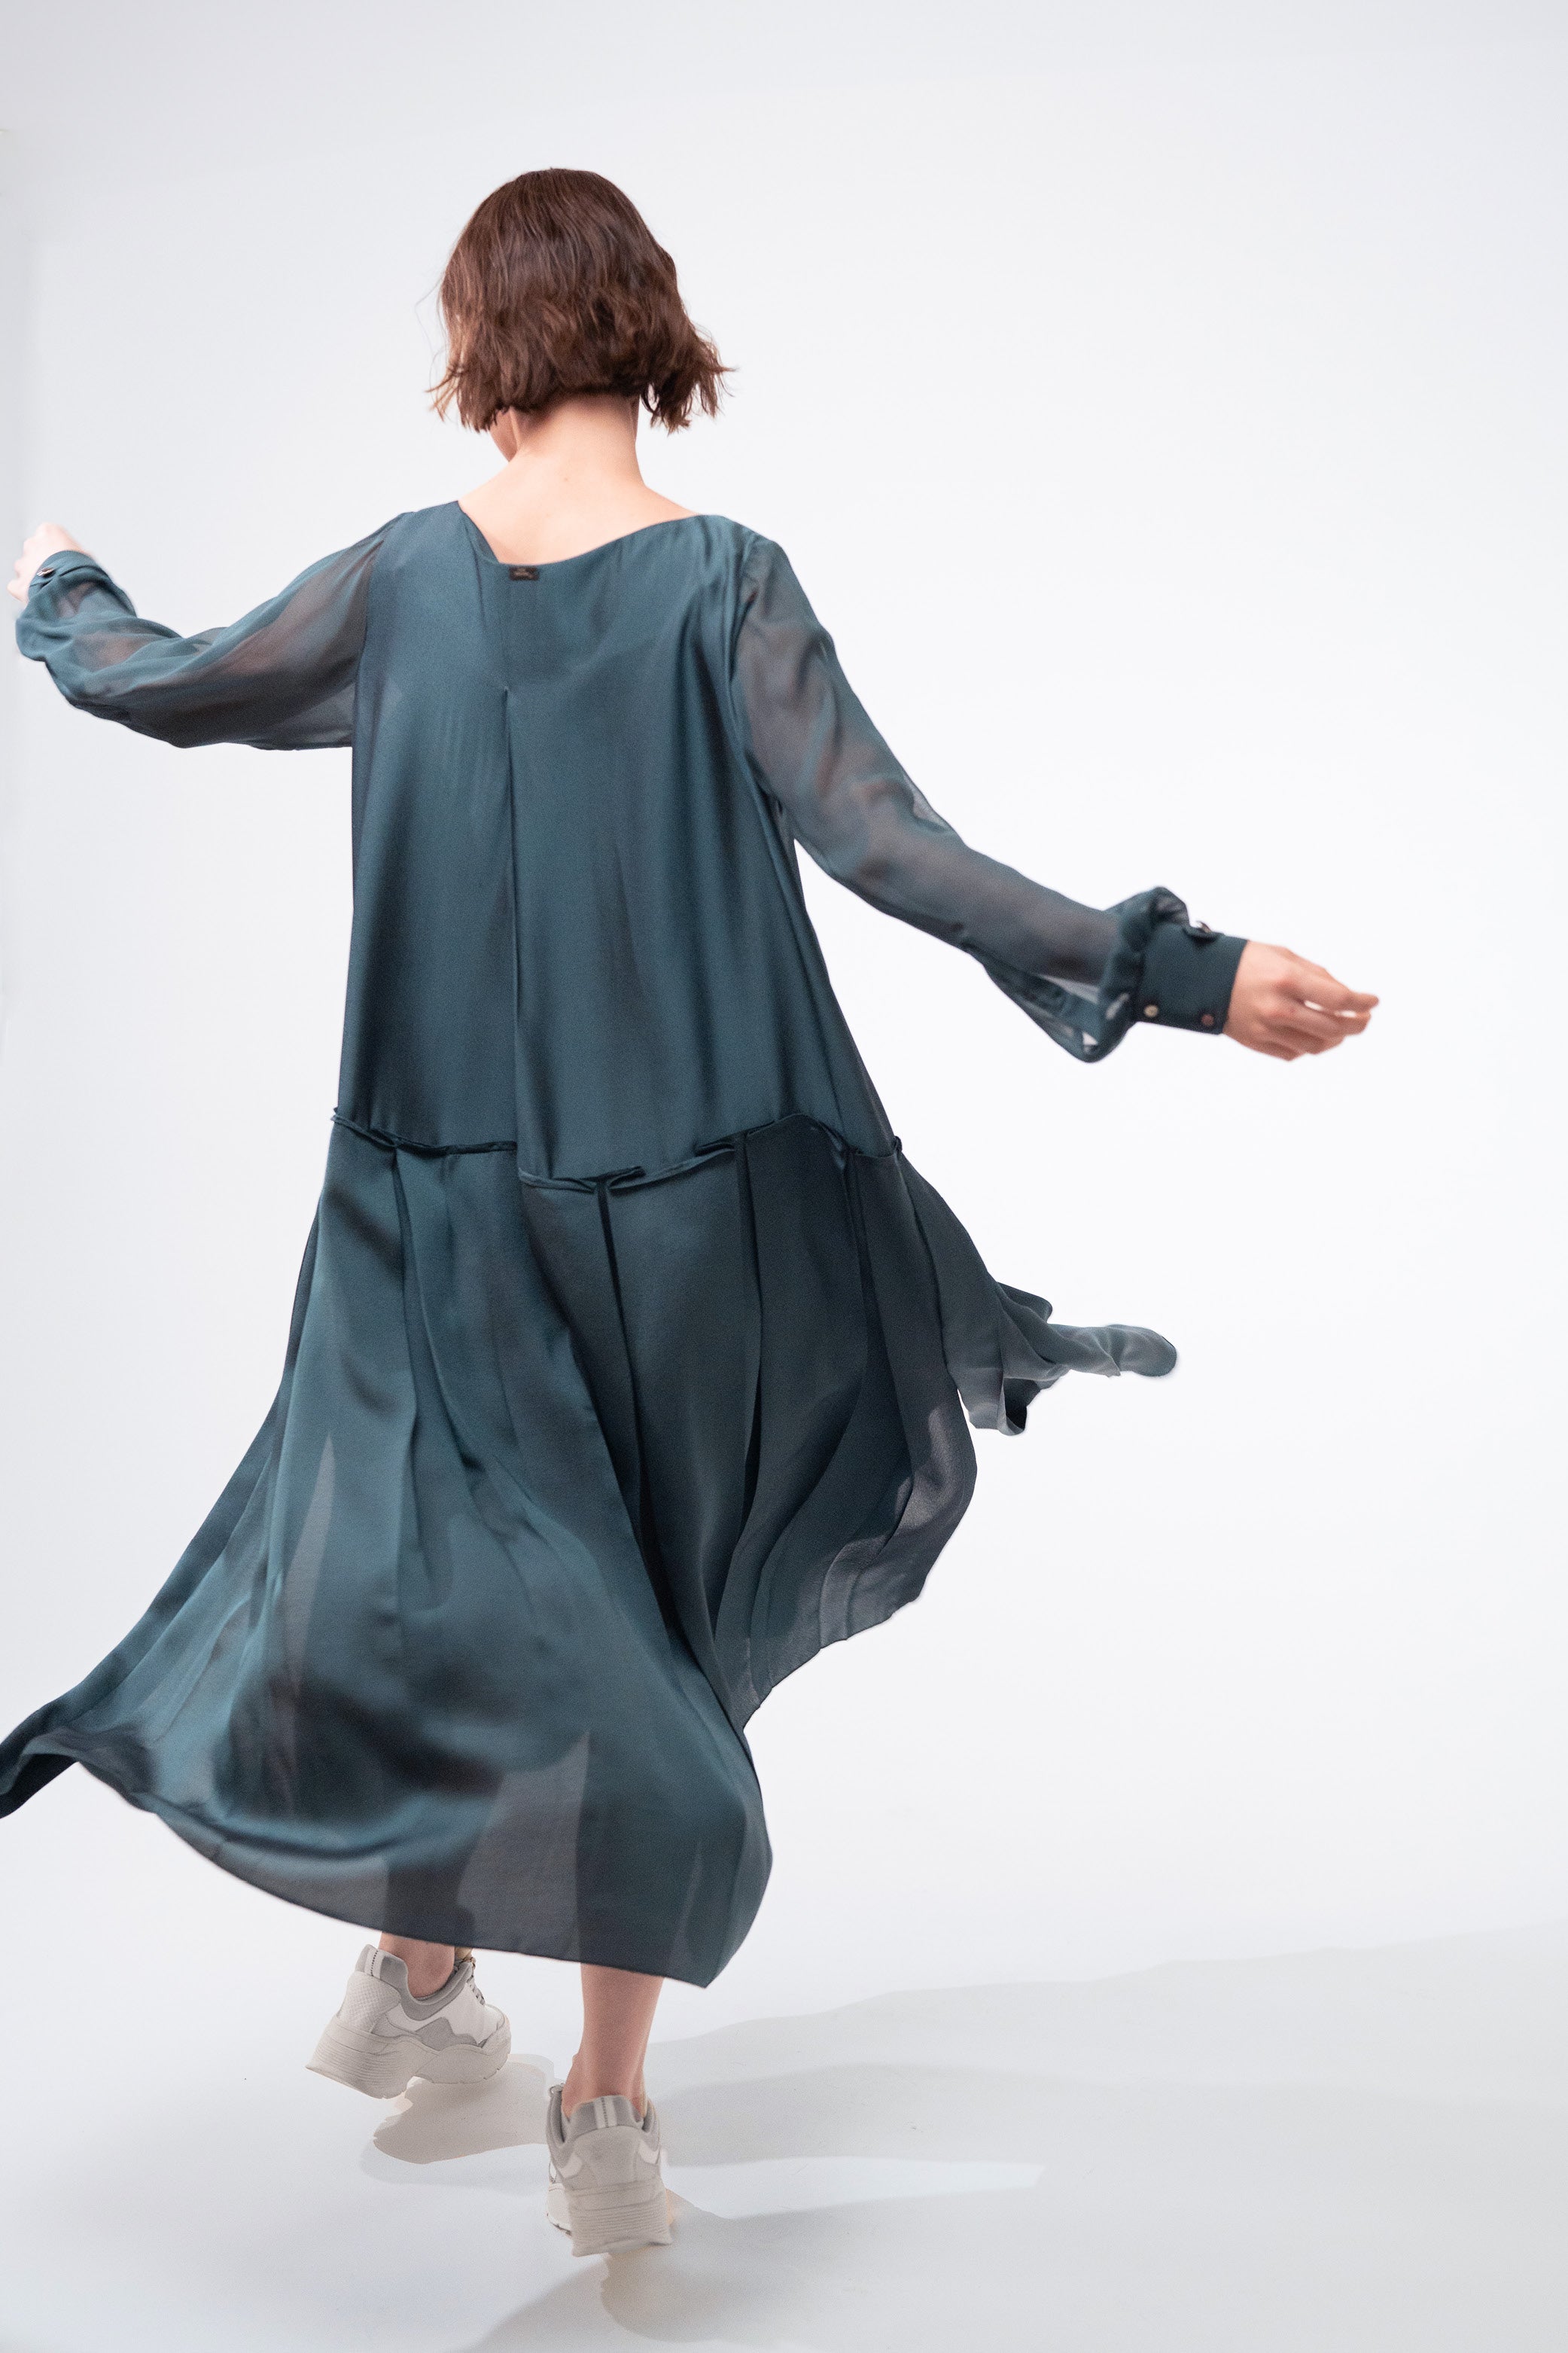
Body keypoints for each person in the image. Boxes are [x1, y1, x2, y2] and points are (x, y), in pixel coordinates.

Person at [2, 168, 1375, 2257]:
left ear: (481, 347)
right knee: (643, 1639)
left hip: (426, 1220)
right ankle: (586, 2095)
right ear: (650, 333)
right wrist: (1182, 975)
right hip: (681, 1223)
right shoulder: (724, 582)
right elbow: (894, 849)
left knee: (413, 1603)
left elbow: (169, 679)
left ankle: (437, 1979)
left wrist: (58, 590)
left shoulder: (403, 576)